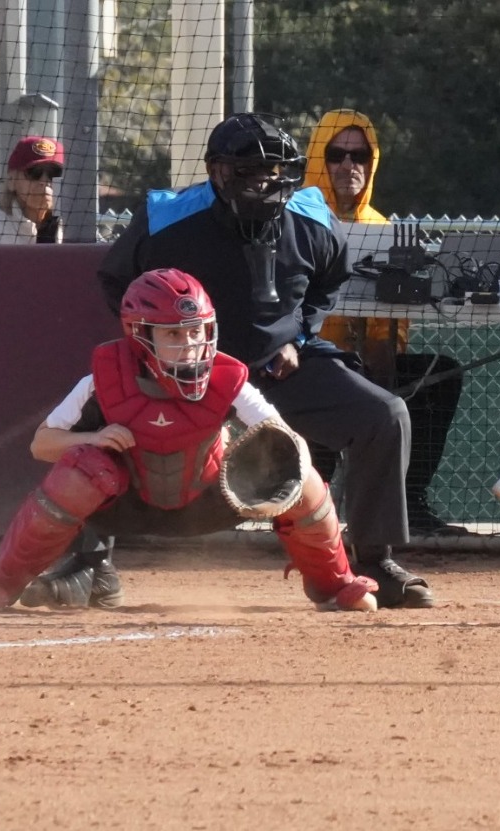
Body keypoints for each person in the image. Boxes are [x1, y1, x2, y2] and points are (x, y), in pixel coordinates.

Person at [97, 112, 434, 609]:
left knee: (385, 415)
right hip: (191, 373)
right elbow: (116, 282)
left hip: (281, 366)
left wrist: (301, 335)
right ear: (218, 172)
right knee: (105, 424)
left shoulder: (311, 217)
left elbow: (332, 277)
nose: (265, 182)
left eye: (275, 171)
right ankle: (87, 561)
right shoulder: (168, 219)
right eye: (250, 170)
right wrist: (165, 355)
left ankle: (372, 559)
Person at [0, 268, 380, 614]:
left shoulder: (229, 379)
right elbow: (41, 445)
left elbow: (285, 438)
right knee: (82, 469)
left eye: (197, 332)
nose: (191, 346)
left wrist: (289, 468)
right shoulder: (103, 380)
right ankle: (0, 585)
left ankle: (335, 584)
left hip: (209, 501)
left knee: (303, 479)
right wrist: (94, 437)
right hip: (127, 506)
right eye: (174, 336)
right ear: (140, 335)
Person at [307, 109, 467, 534]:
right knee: (323, 381)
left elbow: (385, 326)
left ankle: (409, 502)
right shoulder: (295, 221)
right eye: (337, 154)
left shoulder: (382, 228)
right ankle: (305, 510)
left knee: (441, 374)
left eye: (359, 156)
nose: (348, 166)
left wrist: (384, 365)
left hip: (364, 362)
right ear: (318, 159)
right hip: (306, 361)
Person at [0, 136, 65, 243]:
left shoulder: (72, 227)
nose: (44, 181)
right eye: (34, 173)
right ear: (11, 180)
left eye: (54, 174)